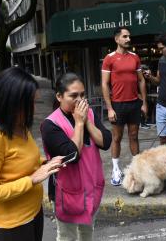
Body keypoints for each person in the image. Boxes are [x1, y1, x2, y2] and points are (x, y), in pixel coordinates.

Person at [0, 67, 63, 241]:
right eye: (29, 104)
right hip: (11, 223)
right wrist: (32, 180)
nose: (34, 110)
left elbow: (23, 161)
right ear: (11, 103)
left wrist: (47, 163)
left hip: (33, 211)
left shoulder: (20, 126)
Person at [41, 72, 111, 241]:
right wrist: (79, 123)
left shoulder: (90, 114)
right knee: (67, 236)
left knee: (87, 233)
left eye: (82, 95)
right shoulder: (50, 125)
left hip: (91, 187)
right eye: (73, 96)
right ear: (59, 96)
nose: (80, 100)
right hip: (66, 192)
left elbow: (106, 141)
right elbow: (72, 155)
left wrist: (87, 121)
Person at [101, 26, 147, 186]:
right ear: (117, 39)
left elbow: (141, 80)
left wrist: (144, 103)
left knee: (134, 136)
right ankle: (115, 169)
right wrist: (110, 108)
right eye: (125, 36)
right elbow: (105, 84)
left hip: (134, 103)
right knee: (117, 138)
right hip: (118, 105)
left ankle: (137, 169)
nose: (128, 39)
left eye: (129, 36)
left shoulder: (135, 57)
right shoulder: (109, 58)